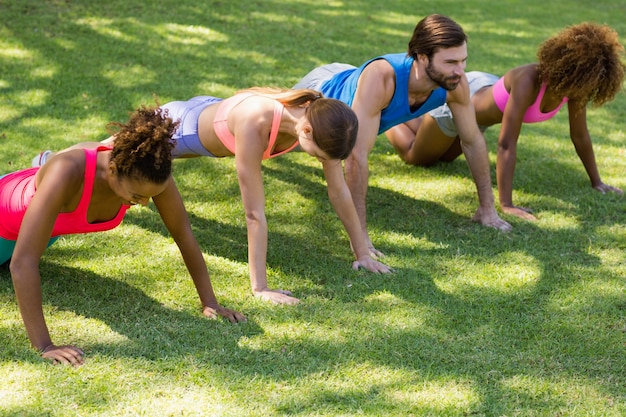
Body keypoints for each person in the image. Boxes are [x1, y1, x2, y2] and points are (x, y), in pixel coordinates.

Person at [33, 88, 392, 306]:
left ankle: (51, 163)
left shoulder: (322, 121)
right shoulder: (256, 122)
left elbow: (337, 188)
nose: (319, 162)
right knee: (106, 156)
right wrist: (260, 287)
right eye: (318, 155)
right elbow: (254, 212)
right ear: (307, 130)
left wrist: (362, 250)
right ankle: (48, 165)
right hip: (183, 126)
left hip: (212, 115)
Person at [2, 104, 246, 366]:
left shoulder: (150, 173)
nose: (144, 204)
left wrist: (210, 301)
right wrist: (45, 345)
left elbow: (183, 234)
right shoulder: (68, 171)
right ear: (114, 170)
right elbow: (23, 261)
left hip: (37, 229)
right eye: (137, 196)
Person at [293, 14, 512, 257]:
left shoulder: (453, 83)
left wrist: (487, 208)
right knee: (265, 142)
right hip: (320, 93)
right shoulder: (383, 78)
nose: (460, 72)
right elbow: (355, 158)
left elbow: (471, 141)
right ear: (421, 56)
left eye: (463, 61)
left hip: (354, 87)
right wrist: (361, 238)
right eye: (450, 62)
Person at [385, 22, 625, 220]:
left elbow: (580, 136)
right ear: (573, 68)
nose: (591, 87)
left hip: (481, 111)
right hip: (461, 104)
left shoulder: (574, 90)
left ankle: (413, 114)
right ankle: (390, 115)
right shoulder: (529, 80)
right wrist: (506, 204)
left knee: (446, 157)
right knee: (415, 156)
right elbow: (507, 143)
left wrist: (597, 182)